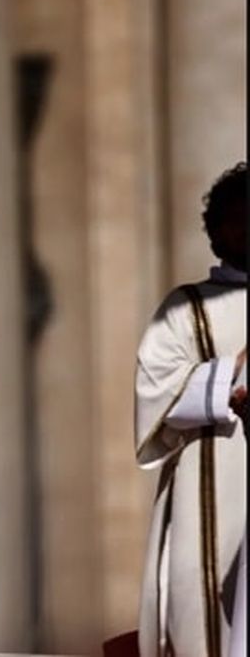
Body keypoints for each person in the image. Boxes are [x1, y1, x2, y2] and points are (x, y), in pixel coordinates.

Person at [135, 162, 246, 657]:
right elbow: (156, 393)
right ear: (217, 231)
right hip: (213, 473)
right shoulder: (186, 307)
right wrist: (232, 374)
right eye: (240, 219)